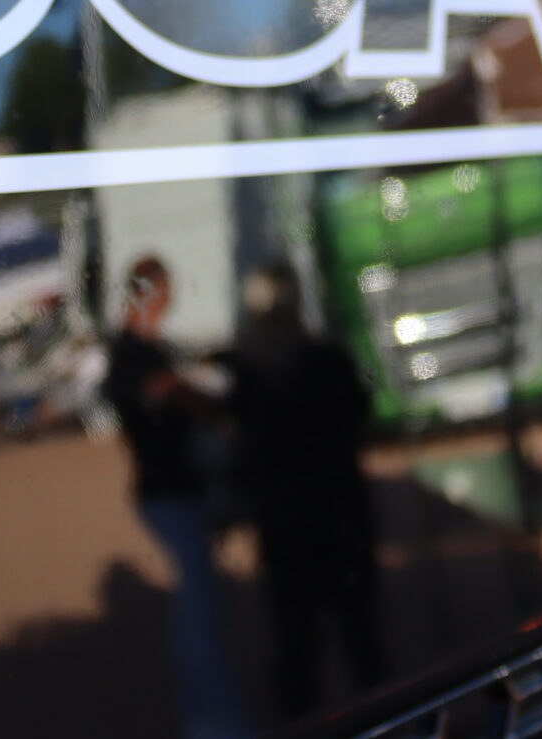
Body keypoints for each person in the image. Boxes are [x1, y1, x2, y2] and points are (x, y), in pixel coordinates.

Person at [229, 263, 388, 719]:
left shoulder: (253, 375)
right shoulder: (324, 361)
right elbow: (357, 419)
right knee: (358, 639)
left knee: (300, 647)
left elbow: (246, 448)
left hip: (290, 524)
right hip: (336, 516)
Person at [102, 255, 248, 739]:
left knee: (196, 613)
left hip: (174, 491)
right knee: (199, 616)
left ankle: (206, 719)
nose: (167, 302)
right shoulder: (133, 353)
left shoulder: (144, 349)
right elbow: (171, 393)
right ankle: (216, 725)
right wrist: (219, 412)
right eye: (163, 292)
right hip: (169, 494)